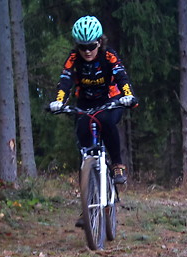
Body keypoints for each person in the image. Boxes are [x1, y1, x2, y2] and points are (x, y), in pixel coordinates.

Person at [49, 15, 136, 186]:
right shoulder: (74, 57)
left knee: (106, 121)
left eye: (91, 46)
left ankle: (117, 164)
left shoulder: (109, 55)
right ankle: (87, 197)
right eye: (83, 47)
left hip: (111, 99)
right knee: (82, 132)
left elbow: (121, 76)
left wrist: (128, 96)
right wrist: (59, 101)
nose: (87, 51)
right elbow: (65, 80)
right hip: (86, 102)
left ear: (99, 42)